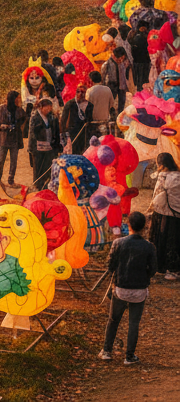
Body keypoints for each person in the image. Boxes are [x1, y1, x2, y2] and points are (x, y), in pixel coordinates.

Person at [98, 211, 156, 364]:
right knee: (134, 323)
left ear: (128, 224)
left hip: (120, 289)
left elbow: (110, 266)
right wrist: (144, 278)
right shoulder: (149, 247)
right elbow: (153, 269)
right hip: (139, 291)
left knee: (113, 320)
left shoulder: (118, 243)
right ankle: (129, 356)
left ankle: (107, 351)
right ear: (144, 227)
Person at [147, 152, 180, 280]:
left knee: (163, 240)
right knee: (175, 241)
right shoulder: (178, 176)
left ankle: (163, 267)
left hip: (164, 214)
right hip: (177, 214)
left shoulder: (163, 177)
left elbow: (156, 196)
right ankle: (174, 269)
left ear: (162, 165)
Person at [0, 90, 26, 187]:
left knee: (14, 161)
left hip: (15, 139)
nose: (19, 100)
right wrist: (3, 126)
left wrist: (19, 126)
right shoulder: (1, 109)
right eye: (17, 98)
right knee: (1, 160)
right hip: (4, 139)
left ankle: (11, 180)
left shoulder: (19, 110)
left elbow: (24, 119)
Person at [28, 97, 57, 189]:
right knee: (38, 167)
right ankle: (38, 185)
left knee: (47, 165)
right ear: (41, 107)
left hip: (47, 145)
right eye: (47, 108)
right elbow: (32, 132)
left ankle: (45, 184)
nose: (48, 110)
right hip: (37, 146)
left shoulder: (49, 116)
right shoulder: (35, 117)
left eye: (50, 108)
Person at [60, 86, 91, 153]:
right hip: (73, 134)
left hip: (85, 134)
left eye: (82, 92)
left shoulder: (89, 105)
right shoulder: (70, 104)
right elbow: (63, 121)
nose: (80, 94)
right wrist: (64, 136)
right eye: (78, 92)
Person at [102, 46, 128, 115]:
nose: (121, 60)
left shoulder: (125, 61)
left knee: (122, 101)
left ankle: (120, 114)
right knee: (110, 101)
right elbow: (103, 74)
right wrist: (104, 85)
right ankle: (110, 114)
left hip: (122, 84)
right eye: (119, 59)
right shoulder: (108, 62)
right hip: (112, 84)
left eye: (122, 58)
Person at [129, 22, 152, 91]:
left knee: (142, 77)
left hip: (143, 60)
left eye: (145, 27)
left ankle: (141, 90)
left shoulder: (137, 35)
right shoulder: (138, 36)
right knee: (141, 77)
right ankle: (141, 90)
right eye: (142, 27)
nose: (143, 28)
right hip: (140, 60)